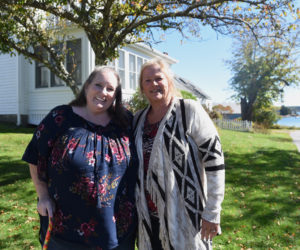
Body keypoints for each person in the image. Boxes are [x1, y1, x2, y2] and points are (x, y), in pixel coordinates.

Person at [22, 66, 138, 250]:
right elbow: (34, 156)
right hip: (65, 229)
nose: (103, 92)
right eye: (98, 85)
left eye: (110, 89)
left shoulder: (126, 123)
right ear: (86, 87)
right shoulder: (60, 117)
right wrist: (43, 196)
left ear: (116, 95)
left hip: (118, 230)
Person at [133, 58, 225, 250]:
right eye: (147, 81)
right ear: (142, 87)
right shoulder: (138, 120)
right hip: (148, 219)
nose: (154, 84)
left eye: (159, 78)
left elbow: (215, 160)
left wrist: (212, 212)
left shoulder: (188, 111)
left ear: (169, 81)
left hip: (187, 218)